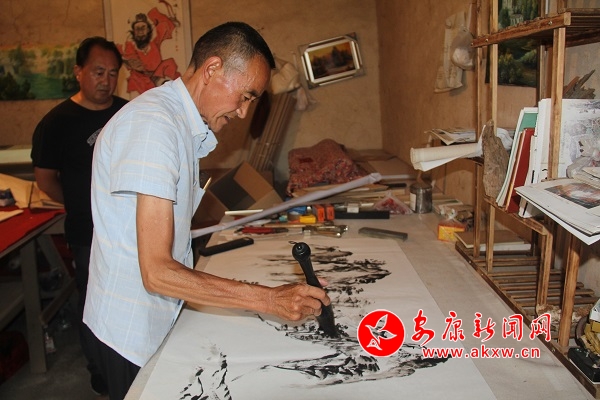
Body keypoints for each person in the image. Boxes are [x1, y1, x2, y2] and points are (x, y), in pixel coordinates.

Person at [84, 21, 331, 399]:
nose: (244, 113)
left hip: (160, 314)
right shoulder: (154, 128)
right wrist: (268, 299)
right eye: (245, 96)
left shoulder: (178, 122)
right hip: (130, 329)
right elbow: (157, 273)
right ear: (213, 69)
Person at [30, 36, 128, 396]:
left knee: (130, 299)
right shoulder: (57, 123)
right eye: (98, 72)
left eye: (113, 73)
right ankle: (100, 371)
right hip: (88, 232)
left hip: (129, 227)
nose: (106, 80)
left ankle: (131, 366)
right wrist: (82, 203)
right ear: (78, 72)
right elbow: (45, 181)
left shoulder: (128, 113)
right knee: (95, 303)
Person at [118, 6, 182, 95]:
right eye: (137, 28)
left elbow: (165, 25)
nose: (140, 31)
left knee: (169, 65)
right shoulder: (130, 46)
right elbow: (127, 58)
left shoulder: (155, 41)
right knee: (134, 81)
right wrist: (128, 62)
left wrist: (153, 13)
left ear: (148, 29)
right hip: (141, 80)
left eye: (143, 27)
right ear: (134, 31)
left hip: (159, 76)